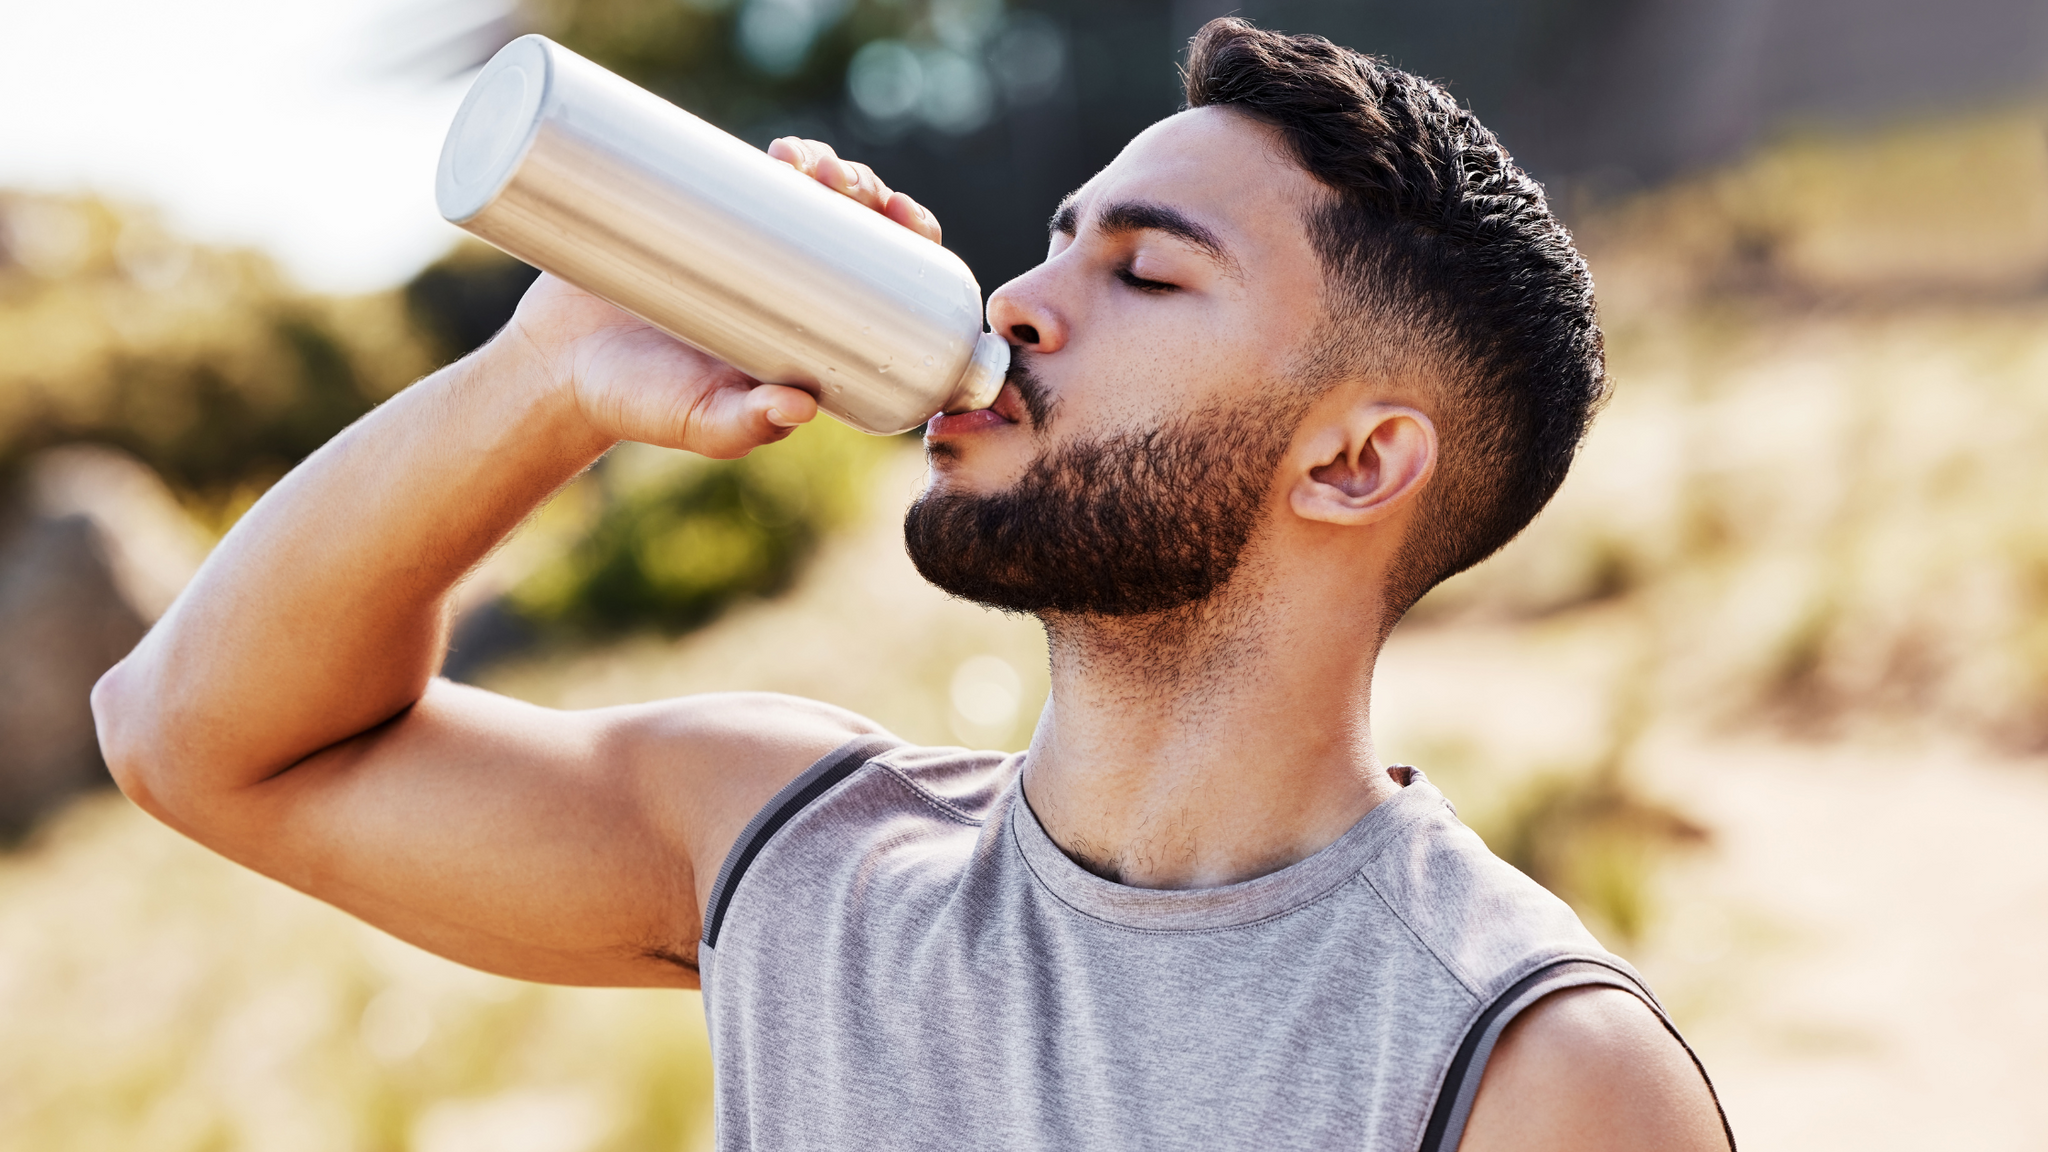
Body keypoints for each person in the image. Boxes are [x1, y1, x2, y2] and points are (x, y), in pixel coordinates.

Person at [93, 18, 1732, 1152]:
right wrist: (549, 377)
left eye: (1146, 270)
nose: (1017, 297)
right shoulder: (787, 849)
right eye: (1057, 239)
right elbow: (189, 735)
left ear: (1356, 464)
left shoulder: (1524, 1067)